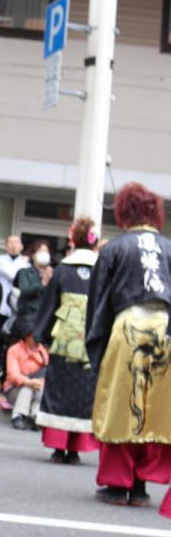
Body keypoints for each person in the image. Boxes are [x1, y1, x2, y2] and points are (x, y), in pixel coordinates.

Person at [86, 183, 171, 508]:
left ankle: (116, 484)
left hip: (128, 327)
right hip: (166, 328)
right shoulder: (168, 248)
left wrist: (97, 347)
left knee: (121, 403)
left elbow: (99, 304)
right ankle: (140, 484)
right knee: (157, 408)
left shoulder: (114, 249)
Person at [33, 217, 100, 464]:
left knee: (60, 391)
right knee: (84, 393)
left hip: (64, 339)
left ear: (73, 241)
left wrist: (40, 334)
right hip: (91, 341)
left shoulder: (63, 268)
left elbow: (49, 304)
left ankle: (59, 447)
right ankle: (75, 449)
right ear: (94, 244)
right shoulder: (101, 268)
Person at [4, 332, 49, 430]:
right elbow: (13, 375)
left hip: (37, 387)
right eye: (34, 334)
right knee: (27, 388)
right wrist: (28, 382)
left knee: (41, 388)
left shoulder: (42, 350)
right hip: (14, 388)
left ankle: (35, 416)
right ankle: (18, 416)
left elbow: (47, 371)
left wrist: (39, 381)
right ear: (26, 336)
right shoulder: (14, 349)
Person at [11, 240, 52, 340]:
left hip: (47, 319)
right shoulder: (24, 272)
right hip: (28, 320)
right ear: (33, 255)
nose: (44, 255)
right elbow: (24, 292)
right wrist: (42, 283)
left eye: (46, 252)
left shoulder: (54, 273)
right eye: (40, 251)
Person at [0, 234, 28, 319]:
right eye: (11, 242)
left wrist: (24, 263)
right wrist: (23, 264)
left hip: (18, 303)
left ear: (21, 246)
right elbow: (13, 275)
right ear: (6, 247)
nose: (14, 245)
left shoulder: (27, 264)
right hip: (1, 302)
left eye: (16, 242)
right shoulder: (0, 259)